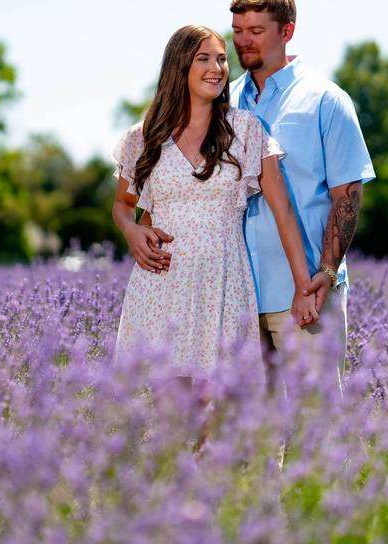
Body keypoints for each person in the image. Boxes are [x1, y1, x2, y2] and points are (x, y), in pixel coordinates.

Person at [111, 25, 318, 386]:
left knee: (217, 419)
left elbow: (283, 210)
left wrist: (303, 286)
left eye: (222, 59)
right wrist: (132, 231)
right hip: (161, 286)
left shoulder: (247, 131)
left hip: (223, 287)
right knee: (167, 422)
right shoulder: (143, 137)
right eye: (204, 58)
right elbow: (123, 205)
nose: (218, 68)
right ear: (179, 67)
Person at [228, 0, 376, 391]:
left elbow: (347, 196)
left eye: (256, 31)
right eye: (238, 30)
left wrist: (325, 274)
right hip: (237, 298)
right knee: (249, 438)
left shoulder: (325, 100)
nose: (244, 41)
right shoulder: (225, 102)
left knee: (315, 430)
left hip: (305, 295)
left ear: (287, 32)